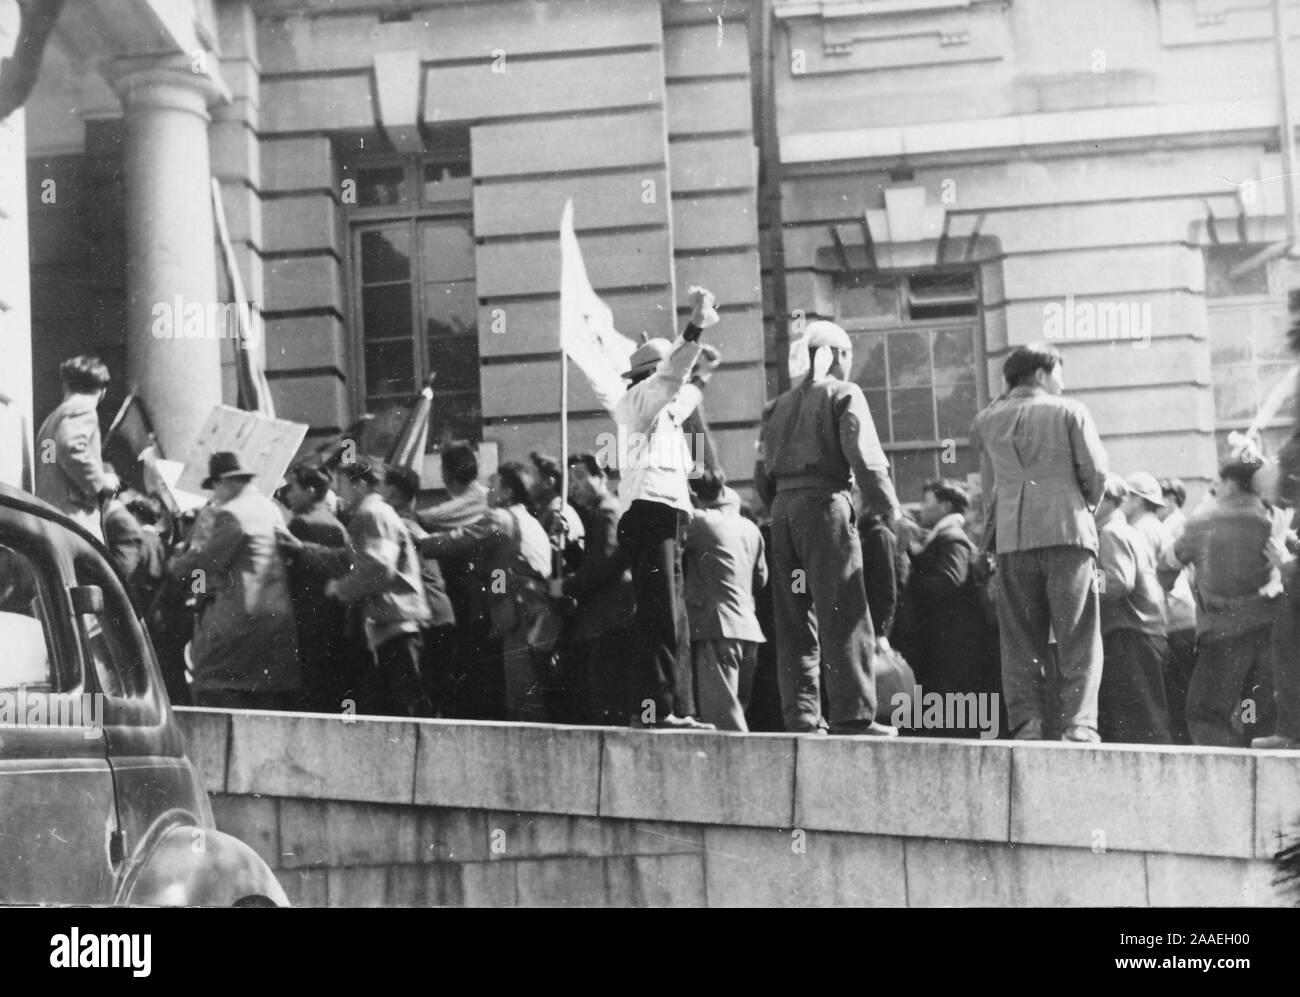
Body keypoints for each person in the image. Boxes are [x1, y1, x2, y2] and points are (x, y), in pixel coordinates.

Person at [755, 319, 908, 736]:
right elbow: (866, 459)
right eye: (848, 354)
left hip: (782, 512)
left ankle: (802, 716)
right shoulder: (844, 393)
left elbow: (760, 477)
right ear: (837, 355)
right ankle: (852, 715)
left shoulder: (775, 407)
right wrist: (890, 510)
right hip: (824, 508)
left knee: (794, 619)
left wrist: (782, 507)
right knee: (843, 612)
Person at [969, 343, 1108, 742]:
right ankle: (1079, 724)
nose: (1062, 383)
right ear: (1042, 374)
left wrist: (1007, 391)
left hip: (1012, 539)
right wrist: (1084, 506)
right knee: (1079, 635)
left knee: (1018, 639)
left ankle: (1027, 722)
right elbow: (1096, 472)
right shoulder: (1070, 411)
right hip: (1067, 532)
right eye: (1057, 373)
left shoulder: (987, 420)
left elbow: (983, 439)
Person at [613, 286, 722, 731]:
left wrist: (704, 368)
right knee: (660, 613)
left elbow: (688, 388)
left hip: (665, 513)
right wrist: (695, 326)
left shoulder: (663, 411)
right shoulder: (639, 401)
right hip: (650, 511)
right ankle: (656, 709)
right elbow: (675, 377)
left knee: (673, 615)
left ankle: (678, 708)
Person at [420, 461, 556, 721]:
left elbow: (459, 540)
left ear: (507, 491)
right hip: (534, 616)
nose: (487, 490)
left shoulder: (499, 518)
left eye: (493, 484)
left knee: (522, 700)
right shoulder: (530, 520)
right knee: (527, 694)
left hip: (520, 616)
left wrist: (419, 541)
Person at [166, 452, 301, 709]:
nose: (215, 493)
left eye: (215, 486)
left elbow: (206, 562)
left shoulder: (230, 513)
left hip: (238, 618)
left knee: (212, 684)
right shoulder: (270, 508)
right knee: (264, 697)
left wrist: (176, 564)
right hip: (275, 620)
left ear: (225, 481)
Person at [1175, 453, 1280, 746]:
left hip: (1222, 636)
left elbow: (1168, 563)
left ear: (1231, 485)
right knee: (1254, 713)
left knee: (1206, 713)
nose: (1214, 489)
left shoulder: (1204, 523)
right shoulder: (1272, 522)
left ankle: (1229, 769)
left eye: (1218, 483)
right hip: (1267, 635)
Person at [323, 458, 432, 717]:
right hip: (391, 626)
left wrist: (341, 588)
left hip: (396, 626)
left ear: (360, 484)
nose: (338, 492)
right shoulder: (376, 513)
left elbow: (380, 568)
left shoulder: (372, 513)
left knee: (408, 712)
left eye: (342, 484)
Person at [896, 479, 1002, 738]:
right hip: (948, 642)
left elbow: (951, 580)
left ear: (944, 506)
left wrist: (911, 582)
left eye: (927, 502)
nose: (922, 508)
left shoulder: (952, 539)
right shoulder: (942, 537)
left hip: (954, 643)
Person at [552, 453, 638, 725]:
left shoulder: (608, 512)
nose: (574, 486)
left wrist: (566, 586)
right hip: (606, 619)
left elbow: (605, 566)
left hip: (609, 619)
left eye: (580, 477)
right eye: (571, 481)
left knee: (608, 698)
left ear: (600, 477)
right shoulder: (599, 513)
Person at [682, 469, 768, 731]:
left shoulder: (697, 522)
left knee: (724, 723)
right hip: (748, 630)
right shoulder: (750, 528)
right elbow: (761, 579)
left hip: (716, 627)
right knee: (736, 712)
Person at [1095, 475, 1171, 743]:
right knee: (1144, 719)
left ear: (1108, 501)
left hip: (1130, 633)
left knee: (1141, 721)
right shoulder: (1121, 529)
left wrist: (1083, 586)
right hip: (1140, 632)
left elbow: (1118, 582)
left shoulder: (1111, 532)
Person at [381, 464, 457, 716]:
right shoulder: (421, 524)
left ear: (392, 493)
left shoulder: (396, 525)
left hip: (421, 618)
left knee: (416, 702)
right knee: (436, 701)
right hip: (441, 614)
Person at [280, 463, 356, 713]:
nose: (288, 494)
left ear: (310, 490)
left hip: (306, 616)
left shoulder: (301, 524)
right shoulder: (336, 524)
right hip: (333, 615)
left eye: (292, 488)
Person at [34, 355, 118, 541]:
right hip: (75, 518)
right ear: (102, 391)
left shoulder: (51, 420)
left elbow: (51, 461)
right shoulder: (83, 408)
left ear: (66, 386)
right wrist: (101, 481)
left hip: (50, 514)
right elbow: (70, 446)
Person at [1155, 476, 1197, 743]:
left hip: (1178, 617)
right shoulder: (1172, 526)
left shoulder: (1175, 526)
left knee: (1180, 690)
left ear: (1171, 499)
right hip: (1183, 617)